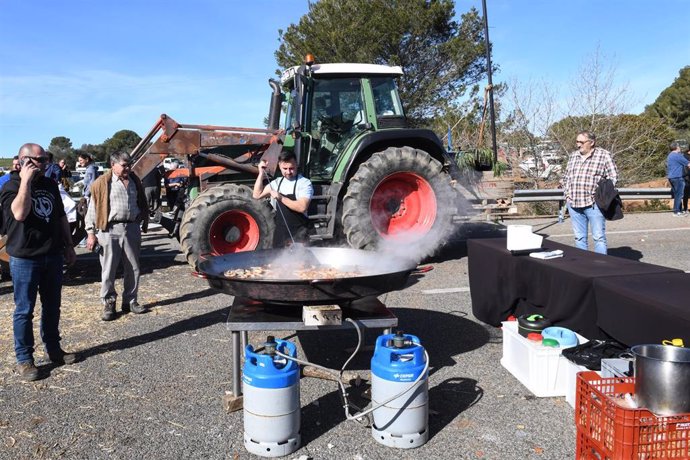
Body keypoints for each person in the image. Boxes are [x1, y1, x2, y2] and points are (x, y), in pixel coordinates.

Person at [0, 143, 78, 381]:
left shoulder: (50, 184)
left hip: (52, 254)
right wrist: (25, 180)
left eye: (45, 160)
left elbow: (60, 216)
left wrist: (69, 245)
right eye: (39, 160)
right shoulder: (10, 185)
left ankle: (53, 349)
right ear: (24, 161)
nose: (44, 164)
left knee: (52, 306)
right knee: (24, 310)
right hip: (24, 257)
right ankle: (25, 359)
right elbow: (20, 214)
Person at [84, 151, 149, 321]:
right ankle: (109, 303)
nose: (128, 167)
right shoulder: (102, 184)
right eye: (124, 164)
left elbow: (141, 202)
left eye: (129, 164)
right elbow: (93, 209)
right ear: (113, 165)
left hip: (131, 228)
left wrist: (142, 217)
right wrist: (90, 233)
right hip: (109, 230)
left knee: (133, 267)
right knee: (108, 269)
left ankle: (131, 301)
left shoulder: (135, 181)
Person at [562, 131, 618, 254]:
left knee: (599, 238)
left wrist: (600, 196)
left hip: (594, 204)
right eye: (577, 142)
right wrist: (567, 195)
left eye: (581, 142)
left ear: (591, 142)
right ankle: (583, 267)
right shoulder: (573, 156)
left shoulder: (604, 155)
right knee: (579, 238)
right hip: (574, 203)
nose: (578, 145)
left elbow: (613, 177)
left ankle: (600, 267)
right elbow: (565, 177)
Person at [253, 151, 313, 247]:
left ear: (297, 165)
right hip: (280, 234)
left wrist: (281, 197)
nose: (288, 172)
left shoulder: (304, 183)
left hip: (299, 233)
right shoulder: (277, 183)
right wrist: (261, 173)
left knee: (299, 261)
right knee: (277, 261)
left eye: (291, 168)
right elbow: (256, 195)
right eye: (285, 169)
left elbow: (302, 207)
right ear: (279, 166)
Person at [666, 141, 690, 216]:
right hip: (677, 177)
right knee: (679, 195)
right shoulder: (678, 156)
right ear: (676, 148)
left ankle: (678, 210)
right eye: (679, 146)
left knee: (677, 195)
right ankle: (676, 212)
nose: (679, 148)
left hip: (671, 177)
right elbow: (688, 164)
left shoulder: (670, 155)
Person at [682, 146, 690, 213]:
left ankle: (685, 208)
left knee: (686, 195)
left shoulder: (683, 156)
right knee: (686, 195)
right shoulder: (685, 157)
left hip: (685, 178)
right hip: (687, 178)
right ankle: (685, 208)